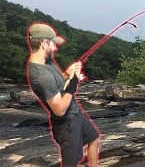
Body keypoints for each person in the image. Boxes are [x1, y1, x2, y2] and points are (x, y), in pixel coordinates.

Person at [26, 22, 100, 166]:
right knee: (71, 163)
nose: (55, 47)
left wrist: (67, 73)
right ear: (43, 43)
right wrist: (73, 82)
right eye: (53, 43)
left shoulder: (47, 62)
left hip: (76, 112)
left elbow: (57, 80)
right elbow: (60, 110)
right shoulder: (41, 76)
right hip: (66, 123)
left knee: (94, 138)